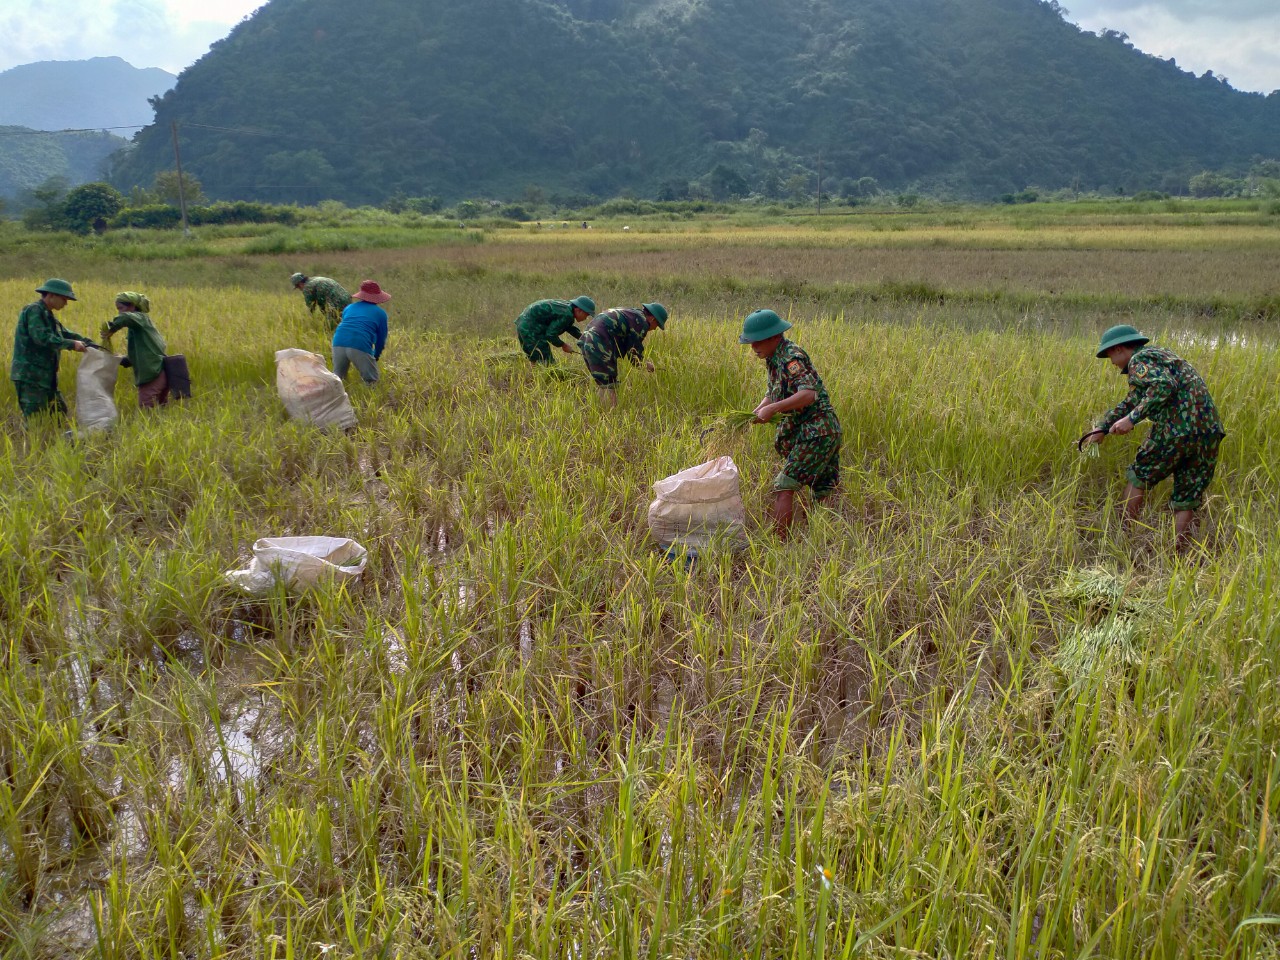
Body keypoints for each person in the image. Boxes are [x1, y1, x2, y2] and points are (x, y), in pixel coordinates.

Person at [1082, 324, 1225, 552]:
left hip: (1175, 430)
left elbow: (1163, 386)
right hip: (1208, 432)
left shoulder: (1140, 360)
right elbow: (1133, 400)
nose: (1111, 362)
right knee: (1187, 495)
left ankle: (1122, 537)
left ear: (1119, 349)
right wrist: (1103, 426)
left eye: (1109, 355)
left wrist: (1132, 419)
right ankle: (1178, 555)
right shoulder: (1162, 358)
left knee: (1139, 475)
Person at [740, 309, 842, 538]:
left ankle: (778, 544)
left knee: (784, 486)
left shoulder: (791, 358)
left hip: (817, 431)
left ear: (774, 337)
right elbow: (773, 393)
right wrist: (757, 412)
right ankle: (822, 540)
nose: (753, 347)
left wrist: (773, 409)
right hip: (821, 431)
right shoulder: (774, 359)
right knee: (823, 488)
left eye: (757, 341)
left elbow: (809, 394)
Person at [9, 278, 92, 421]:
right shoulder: (34, 310)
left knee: (59, 414)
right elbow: (41, 337)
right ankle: (34, 442)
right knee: (35, 419)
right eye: (64, 298)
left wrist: (90, 344)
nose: (66, 303)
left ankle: (57, 442)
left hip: (46, 377)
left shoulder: (48, 315)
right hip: (31, 377)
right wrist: (72, 344)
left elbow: (65, 333)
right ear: (51, 295)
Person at [579, 302, 668, 408]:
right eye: (657, 325)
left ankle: (596, 410)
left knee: (603, 382)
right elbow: (633, 352)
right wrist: (645, 365)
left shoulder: (632, 313)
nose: (654, 329)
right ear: (653, 319)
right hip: (599, 342)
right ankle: (611, 416)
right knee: (609, 383)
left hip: (587, 340)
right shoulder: (641, 322)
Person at [101, 291, 169, 408]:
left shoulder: (140, 318)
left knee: (146, 408)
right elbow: (141, 354)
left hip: (153, 372)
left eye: (121, 308)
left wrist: (111, 328)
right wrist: (120, 359)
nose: (119, 312)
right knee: (160, 408)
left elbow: (126, 317)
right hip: (159, 370)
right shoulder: (140, 327)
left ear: (132, 306)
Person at [331, 280, 391, 384]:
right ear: (377, 297)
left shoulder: (349, 308)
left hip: (338, 342)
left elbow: (347, 325)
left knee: (338, 379)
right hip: (358, 343)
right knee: (371, 380)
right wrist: (376, 355)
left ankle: (334, 398)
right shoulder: (381, 314)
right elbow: (381, 340)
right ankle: (370, 399)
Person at [515, 296, 595, 364]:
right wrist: (563, 345)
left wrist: (584, 339)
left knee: (535, 358)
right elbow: (550, 334)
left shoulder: (566, 308)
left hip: (522, 324)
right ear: (578, 310)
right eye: (586, 315)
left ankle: (533, 379)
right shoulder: (567, 315)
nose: (585, 318)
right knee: (547, 363)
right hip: (531, 330)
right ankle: (543, 380)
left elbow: (568, 327)